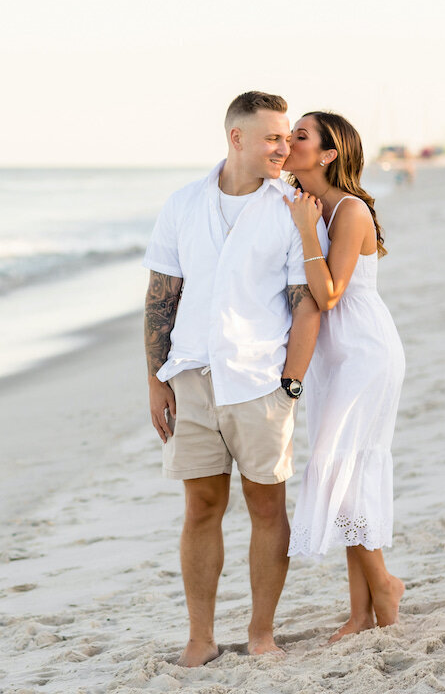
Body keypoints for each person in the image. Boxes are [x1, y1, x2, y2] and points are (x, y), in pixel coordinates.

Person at [143, 91, 322, 666]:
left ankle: (261, 632)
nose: (283, 146)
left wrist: (290, 384)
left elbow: (305, 304)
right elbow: (160, 295)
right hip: (192, 376)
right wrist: (155, 379)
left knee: (268, 509)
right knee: (200, 507)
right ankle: (201, 638)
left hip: (260, 382)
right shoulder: (184, 204)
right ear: (236, 138)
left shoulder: (290, 207)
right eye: (272, 136)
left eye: (288, 135)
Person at [281, 111, 406, 642]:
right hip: (332, 355)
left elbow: (330, 294)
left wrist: (308, 230)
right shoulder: (300, 204)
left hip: (364, 351)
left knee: (341, 466)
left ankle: (383, 584)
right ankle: (359, 613)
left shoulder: (349, 210)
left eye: (301, 135)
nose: (289, 141)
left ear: (328, 155)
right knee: (344, 470)